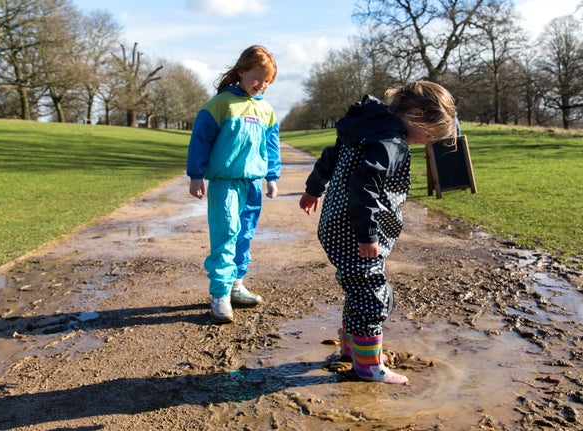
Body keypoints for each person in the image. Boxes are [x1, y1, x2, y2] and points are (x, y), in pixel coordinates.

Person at [299, 81, 457, 384]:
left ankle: (352, 349)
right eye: (429, 133)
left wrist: (312, 189)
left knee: (358, 285)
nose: (426, 141)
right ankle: (369, 365)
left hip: (338, 223)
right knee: (372, 293)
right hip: (354, 228)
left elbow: (331, 155)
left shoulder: (367, 127)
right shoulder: (390, 142)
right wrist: (368, 235)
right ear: (415, 115)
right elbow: (366, 187)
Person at [186, 45, 280, 323]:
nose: (261, 85)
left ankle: (236, 285)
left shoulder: (266, 110)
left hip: (252, 183)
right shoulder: (220, 105)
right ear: (241, 71)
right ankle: (220, 294)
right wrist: (195, 175)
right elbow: (200, 140)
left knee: (245, 235)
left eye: (267, 81)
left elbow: (271, 146)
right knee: (226, 234)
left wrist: (272, 176)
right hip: (225, 183)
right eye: (256, 78)